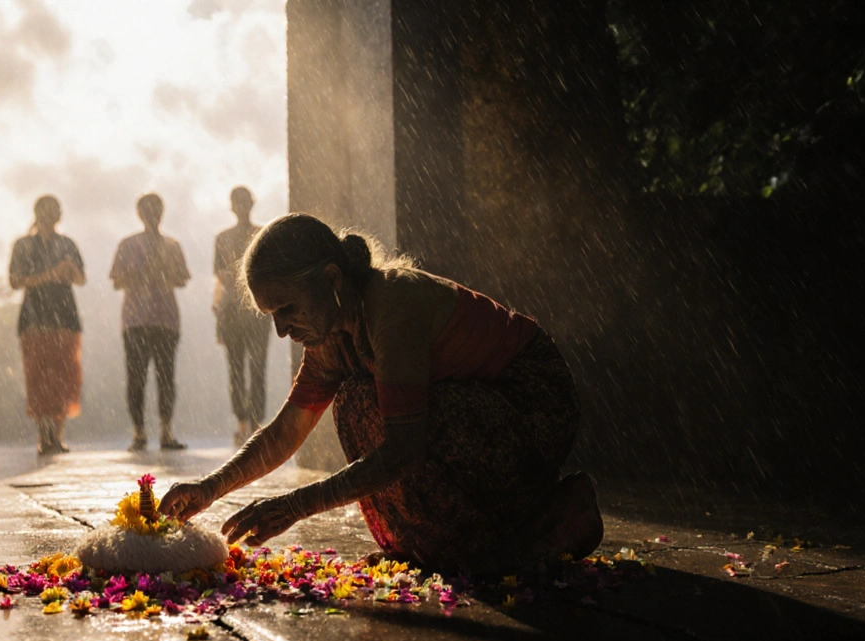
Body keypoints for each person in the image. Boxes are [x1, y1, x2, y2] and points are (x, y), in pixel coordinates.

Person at [161, 213, 604, 577]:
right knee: (357, 401)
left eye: (287, 309)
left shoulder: (393, 305)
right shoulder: (330, 334)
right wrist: (210, 487)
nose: (280, 330)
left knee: (361, 405)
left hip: (531, 405)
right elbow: (287, 430)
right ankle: (458, 543)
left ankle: (550, 518)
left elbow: (403, 450)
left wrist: (294, 506)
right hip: (477, 408)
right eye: (271, 316)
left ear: (332, 279)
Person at [110, 193, 191, 451]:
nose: (153, 214)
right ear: (139, 214)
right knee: (137, 377)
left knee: (166, 376)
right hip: (136, 319)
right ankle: (139, 431)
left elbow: (182, 279)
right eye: (148, 209)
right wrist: (144, 273)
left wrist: (162, 272)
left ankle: (165, 430)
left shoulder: (172, 245)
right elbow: (117, 281)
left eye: (156, 209)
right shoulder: (127, 245)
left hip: (164, 318)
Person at [8, 195, 86, 455]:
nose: (51, 215)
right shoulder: (24, 245)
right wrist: (51, 274)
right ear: (37, 213)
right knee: (38, 377)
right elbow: (15, 281)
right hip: (35, 318)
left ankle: (57, 435)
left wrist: (69, 270)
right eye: (47, 210)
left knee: (65, 376)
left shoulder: (67, 244)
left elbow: (81, 279)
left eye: (55, 210)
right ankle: (45, 434)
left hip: (65, 318)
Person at [212, 187, 271, 447]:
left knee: (253, 369)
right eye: (239, 202)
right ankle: (245, 424)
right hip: (240, 311)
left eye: (244, 202)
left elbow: (223, 276)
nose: (242, 207)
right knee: (239, 369)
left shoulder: (259, 234)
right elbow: (220, 277)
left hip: (254, 310)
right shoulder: (250, 235)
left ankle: (253, 424)